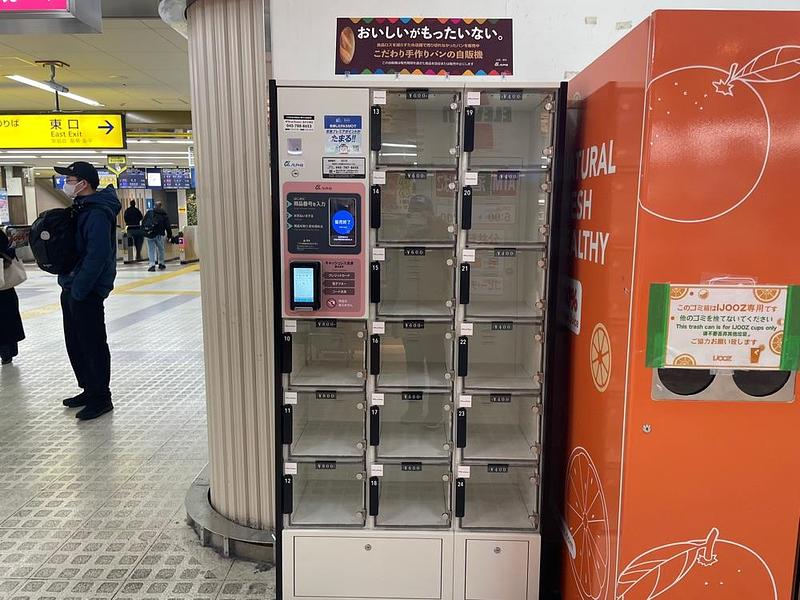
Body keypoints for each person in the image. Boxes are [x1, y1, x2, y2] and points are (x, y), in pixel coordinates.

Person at [53, 161, 121, 420]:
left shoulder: (97, 213)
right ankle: (89, 389)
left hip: (86, 290)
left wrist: (80, 288)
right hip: (71, 286)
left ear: (83, 183)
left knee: (92, 343)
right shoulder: (81, 208)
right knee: (76, 342)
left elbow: (97, 255)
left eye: (70, 180)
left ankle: (101, 397)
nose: (66, 184)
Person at [0, 228, 24, 365]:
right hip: (5, 288)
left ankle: (6, 352)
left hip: (4, 284)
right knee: (8, 319)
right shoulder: (2, 234)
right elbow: (10, 250)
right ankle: (8, 352)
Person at [142, 201, 172, 272]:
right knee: (161, 249)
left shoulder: (149, 213)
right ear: (161, 206)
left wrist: (144, 231)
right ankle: (161, 263)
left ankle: (152, 265)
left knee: (151, 250)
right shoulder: (164, 214)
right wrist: (169, 235)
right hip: (159, 234)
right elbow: (168, 226)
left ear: (154, 206)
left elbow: (143, 222)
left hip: (150, 234)